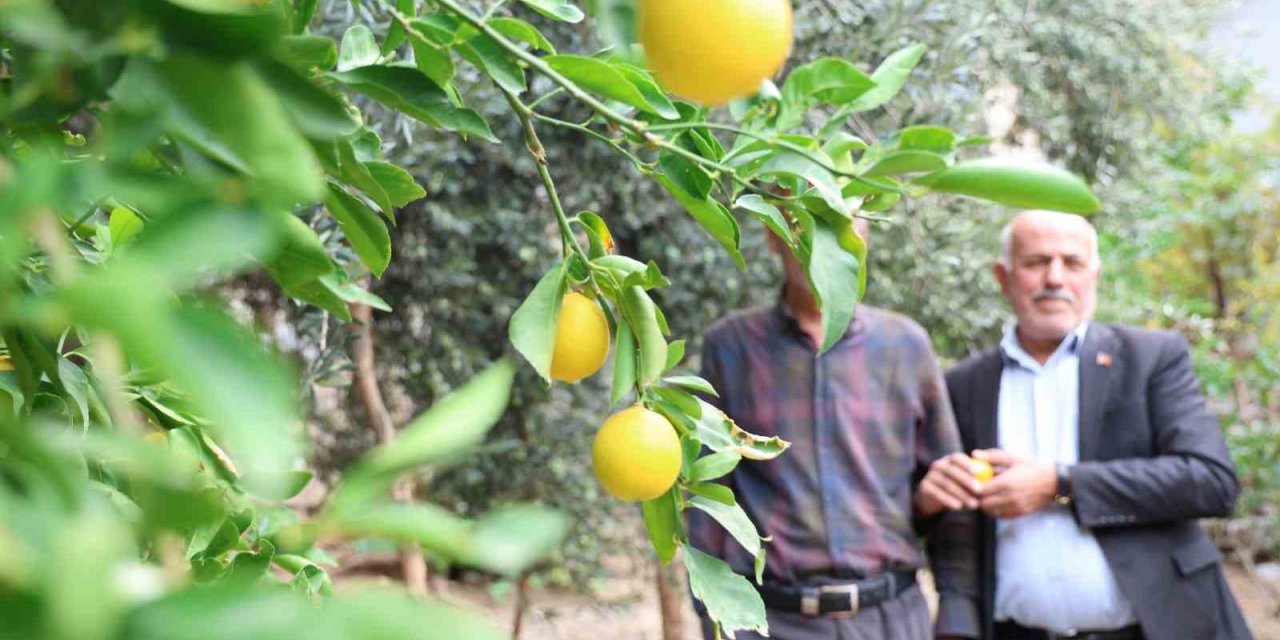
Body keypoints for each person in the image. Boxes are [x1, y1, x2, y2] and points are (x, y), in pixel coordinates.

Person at [932, 209, 1252, 640]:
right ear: (1002, 277)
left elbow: (1211, 480)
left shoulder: (1150, 358)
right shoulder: (964, 385)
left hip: (1156, 629)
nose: (1055, 278)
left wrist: (1059, 484)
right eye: (1036, 262)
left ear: (1094, 275)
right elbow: (956, 525)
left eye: (1073, 263)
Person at [688, 219, 980, 640]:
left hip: (893, 621)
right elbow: (706, 500)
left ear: (863, 237)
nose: (823, 242)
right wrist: (716, 620)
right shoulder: (731, 347)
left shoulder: (905, 346)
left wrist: (957, 617)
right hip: (775, 622)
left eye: (841, 224)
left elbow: (950, 493)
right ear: (771, 233)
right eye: (804, 222)